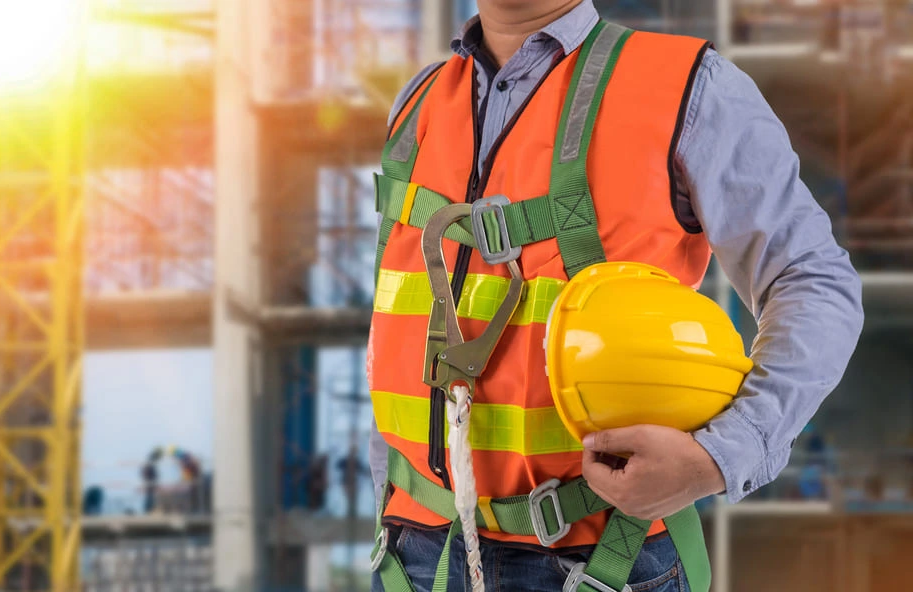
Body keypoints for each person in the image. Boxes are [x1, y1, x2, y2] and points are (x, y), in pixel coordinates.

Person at [366, 1, 864, 590]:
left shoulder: (688, 87)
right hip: (414, 555)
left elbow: (813, 279)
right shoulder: (418, 103)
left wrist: (721, 457)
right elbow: (399, 316)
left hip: (601, 562)